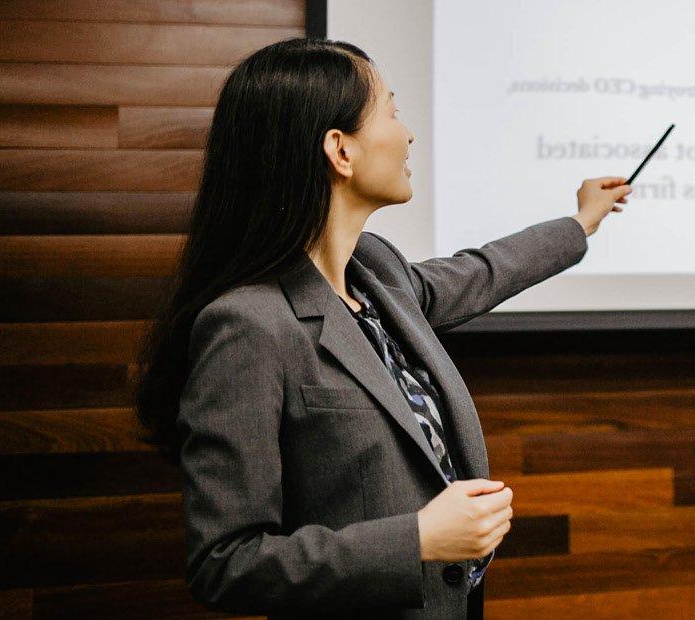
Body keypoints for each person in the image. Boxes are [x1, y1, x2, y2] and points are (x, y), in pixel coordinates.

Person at [133, 38, 630, 619]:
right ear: (339, 151)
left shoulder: (379, 273)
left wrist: (579, 223)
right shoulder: (246, 325)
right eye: (391, 112)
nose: (408, 134)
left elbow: (482, 271)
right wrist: (416, 539)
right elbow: (225, 562)